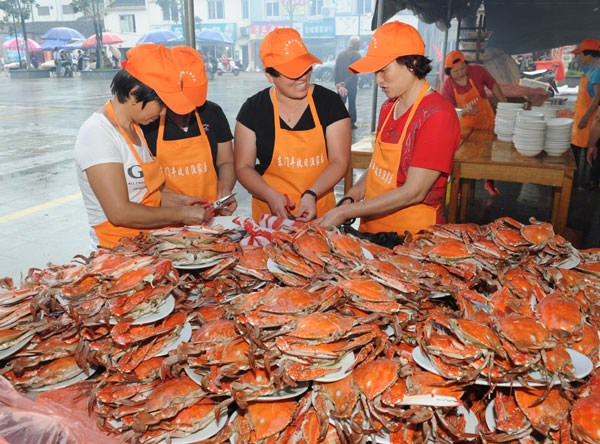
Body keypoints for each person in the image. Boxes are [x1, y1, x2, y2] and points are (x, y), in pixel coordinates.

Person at [317, 22, 460, 236]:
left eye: (384, 70)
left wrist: (348, 211)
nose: (378, 80)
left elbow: (414, 191)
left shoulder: (437, 115)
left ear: (412, 63)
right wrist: (352, 196)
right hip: (373, 230)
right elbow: (377, 169)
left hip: (412, 237)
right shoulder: (389, 106)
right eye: (376, 72)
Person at [74, 44, 212, 248]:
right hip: (117, 248)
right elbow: (120, 212)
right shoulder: (98, 134)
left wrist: (187, 201)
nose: (164, 113)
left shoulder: (135, 128)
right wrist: (182, 214)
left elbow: (146, 195)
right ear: (133, 94)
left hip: (146, 242)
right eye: (161, 104)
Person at [235, 27, 351, 222]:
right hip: (269, 217)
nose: (302, 78)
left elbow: (339, 161)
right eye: (292, 73)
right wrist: (270, 195)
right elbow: (243, 167)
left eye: (306, 68)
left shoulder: (330, 104)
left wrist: (312, 193)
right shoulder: (253, 109)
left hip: (320, 214)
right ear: (270, 76)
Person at [140, 46, 237, 213]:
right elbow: (143, 185)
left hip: (211, 214)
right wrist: (183, 207)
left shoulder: (212, 113)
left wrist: (224, 190)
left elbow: (226, 161)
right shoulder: (148, 122)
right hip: (164, 217)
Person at [440, 50, 507, 197]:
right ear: (449, 72)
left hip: (487, 121)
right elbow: (448, 111)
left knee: (489, 155)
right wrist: (465, 110)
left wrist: (504, 103)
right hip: (466, 128)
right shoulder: (447, 86)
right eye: (456, 71)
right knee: (463, 158)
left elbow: (493, 84)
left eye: (463, 68)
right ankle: (459, 188)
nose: (461, 72)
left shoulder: (477, 71)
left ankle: (489, 183)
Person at [570, 38, 600, 189]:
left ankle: (592, 183)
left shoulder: (599, 69)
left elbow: (597, 97)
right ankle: (577, 179)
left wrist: (585, 117)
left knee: (593, 150)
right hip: (583, 113)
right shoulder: (591, 68)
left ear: (589, 54)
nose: (579, 57)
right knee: (579, 148)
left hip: (592, 117)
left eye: (580, 54)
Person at [335, 35, 361, 130]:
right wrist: (345, 83)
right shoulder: (356, 55)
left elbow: (336, 69)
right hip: (351, 84)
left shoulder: (341, 54)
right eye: (359, 43)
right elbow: (354, 71)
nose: (359, 45)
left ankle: (339, 122)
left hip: (341, 84)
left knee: (341, 103)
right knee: (351, 103)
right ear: (355, 44)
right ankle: (351, 123)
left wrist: (338, 83)